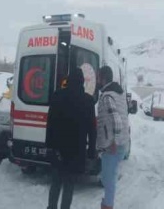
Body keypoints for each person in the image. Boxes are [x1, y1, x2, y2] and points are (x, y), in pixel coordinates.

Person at [46, 68, 97, 209]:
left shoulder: (57, 96)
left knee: (56, 183)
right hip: (76, 151)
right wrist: (91, 151)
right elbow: (92, 130)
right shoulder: (88, 101)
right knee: (69, 185)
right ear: (82, 82)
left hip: (58, 150)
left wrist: (49, 146)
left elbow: (50, 123)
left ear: (68, 80)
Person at [97, 66, 130, 209]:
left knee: (107, 179)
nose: (97, 80)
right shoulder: (119, 94)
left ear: (103, 78)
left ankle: (107, 205)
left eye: (98, 77)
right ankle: (107, 202)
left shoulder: (107, 96)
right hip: (122, 142)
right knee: (109, 176)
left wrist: (113, 141)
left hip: (113, 145)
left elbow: (116, 120)